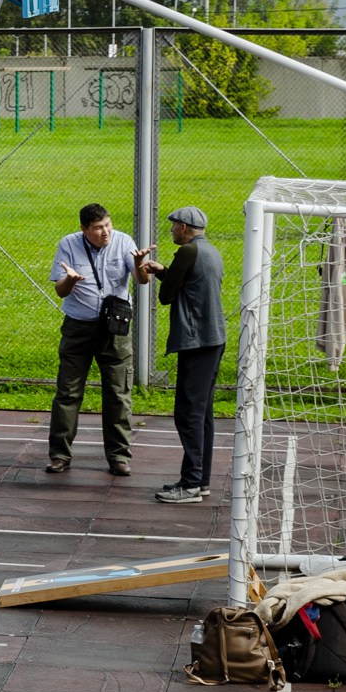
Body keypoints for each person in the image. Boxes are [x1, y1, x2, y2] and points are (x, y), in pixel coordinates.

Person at [47, 201, 151, 476]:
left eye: (107, 225)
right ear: (84, 230)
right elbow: (60, 291)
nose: (105, 232)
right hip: (78, 327)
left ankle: (118, 456)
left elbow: (142, 281)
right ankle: (59, 455)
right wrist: (71, 279)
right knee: (68, 393)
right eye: (97, 228)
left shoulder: (123, 241)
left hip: (114, 329)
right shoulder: (68, 245)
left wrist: (139, 264)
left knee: (118, 393)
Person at [144, 205, 226, 504]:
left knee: (188, 414)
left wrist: (160, 274)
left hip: (197, 341)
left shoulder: (187, 253)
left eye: (173, 226)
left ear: (184, 228)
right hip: (214, 338)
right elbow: (189, 284)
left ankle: (191, 484)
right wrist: (165, 271)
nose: (171, 231)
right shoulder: (211, 251)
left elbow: (167, 297)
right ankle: (199, 481)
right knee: (202, 414)